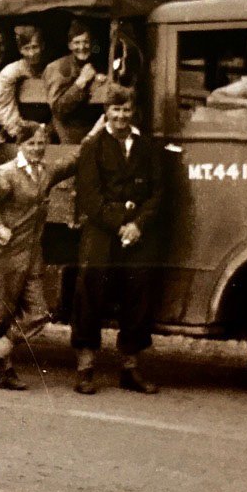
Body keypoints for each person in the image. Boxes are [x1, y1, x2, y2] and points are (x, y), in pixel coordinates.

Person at [71, 87, 164, 395]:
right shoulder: (93, 146)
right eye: (116, 110)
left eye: (126, 110)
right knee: (90, 290)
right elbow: (88, 196)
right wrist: (119, 223)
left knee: (139, 291)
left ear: (132, 111)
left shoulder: (146, 147)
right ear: (106, 112)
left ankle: (130, 368)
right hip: (102, 230)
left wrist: (137, 225)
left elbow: (158, 193)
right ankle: (85, 368)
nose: (121, 116)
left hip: (137, 232)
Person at [0, 121, 77, 391]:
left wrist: (102, 128)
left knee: (39, 313)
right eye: (31, 143)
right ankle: (3, 371)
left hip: (30, 254)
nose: (37, 148)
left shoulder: (44, 172)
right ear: (20, 145)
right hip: (3, 253)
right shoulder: (8, 173)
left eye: (41, 143)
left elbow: (72, 161)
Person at [43, 19, 105, 144]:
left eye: (86, 42)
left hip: (90, 127)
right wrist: (81, 82)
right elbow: (58, 109)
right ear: (70, 45)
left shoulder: (95, 64)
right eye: (77, 43)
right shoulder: (59, 67)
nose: (82, 47)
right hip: (67, 131)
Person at [0, 24, 45, 141]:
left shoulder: (49, 69)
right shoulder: (11, 72)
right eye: (26, 48)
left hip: (46, 129)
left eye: (35, 47)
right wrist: (19, 131)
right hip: (20, 132)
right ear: (20, 50)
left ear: (42, 46)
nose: (31, 53)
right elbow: (2, 107)